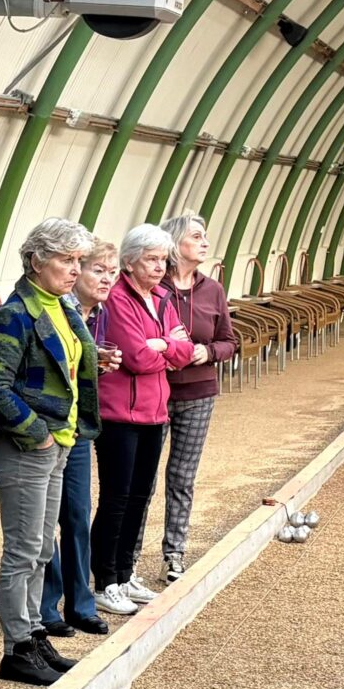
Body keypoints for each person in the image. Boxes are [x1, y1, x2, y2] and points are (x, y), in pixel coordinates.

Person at [0, 217, 97, 687]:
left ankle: (33, 632)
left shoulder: (61, 307)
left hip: (61, 442)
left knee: (42, 547)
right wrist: (37, 432)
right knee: (24, 549)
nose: (75, 269)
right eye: (66, 260)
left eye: (78, 260)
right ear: (35, 261)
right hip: (30, 444)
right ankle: (17, 649)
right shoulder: (17, 314)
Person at [92, 223, 192, 610]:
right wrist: (167, 347)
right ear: (129, 262)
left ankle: (125, 572)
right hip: (120, 414)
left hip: (155, 413)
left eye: (163, 259)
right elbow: (135, 357)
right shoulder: (118, 299)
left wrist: (163, 344)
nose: (159, 267)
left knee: (139, 498)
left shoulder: (163, 298)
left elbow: (184, 351)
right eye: (151, 259)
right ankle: (104, 581)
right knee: (116, 498)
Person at [157, 212, 237, 583]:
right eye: (196, 236)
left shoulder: (213, 289)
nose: (205, 242)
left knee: (182, 476)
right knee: (141, 479)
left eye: (206, 236)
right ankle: (123, 564)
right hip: (155, 391)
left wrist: (209, 352)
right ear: (175, 244)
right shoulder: (154, 286)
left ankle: (174, 554)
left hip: (198, 392)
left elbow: (229, 340)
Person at [45, 237, 121, 625]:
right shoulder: (54, 308)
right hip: (48, 428)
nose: (105, 278)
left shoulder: (98, 314)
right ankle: (47, 605)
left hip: (77, 429)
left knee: (76, 514)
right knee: (44, 521)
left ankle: (80, 603)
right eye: (97, 269)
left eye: (112, 271)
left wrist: (98, 363)